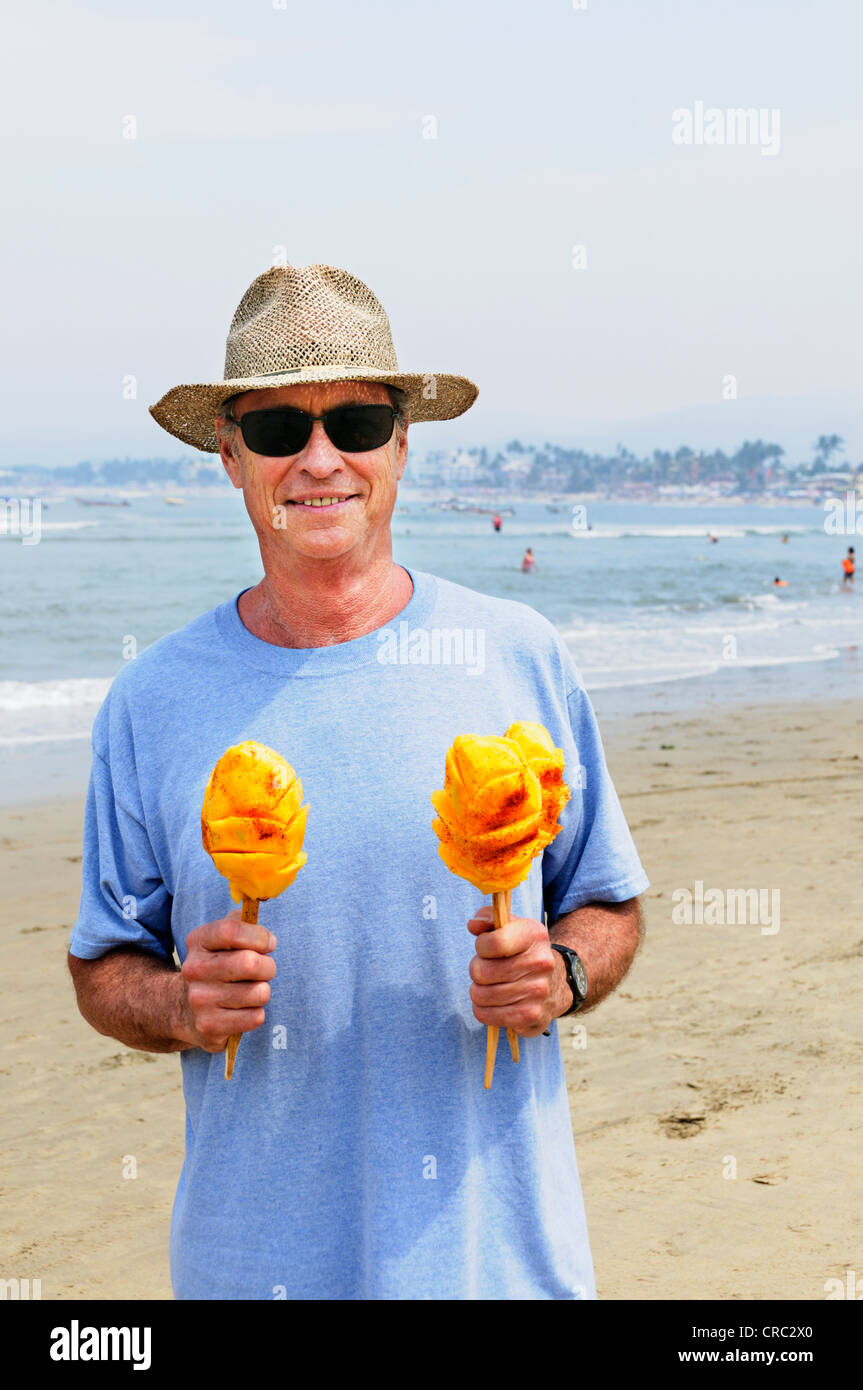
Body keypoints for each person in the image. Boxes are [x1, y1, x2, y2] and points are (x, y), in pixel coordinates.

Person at [67, 261, 648, 1301]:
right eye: (282, 430)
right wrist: (177, 1004)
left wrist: (558, 973)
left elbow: (605, 902)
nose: (321, 460)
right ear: (229, 452)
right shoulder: (150, 703)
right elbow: (103, 966)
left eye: (358, 423)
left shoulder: (515, 654)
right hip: (251, 1271)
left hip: (497, 1266)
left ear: (402, 444)